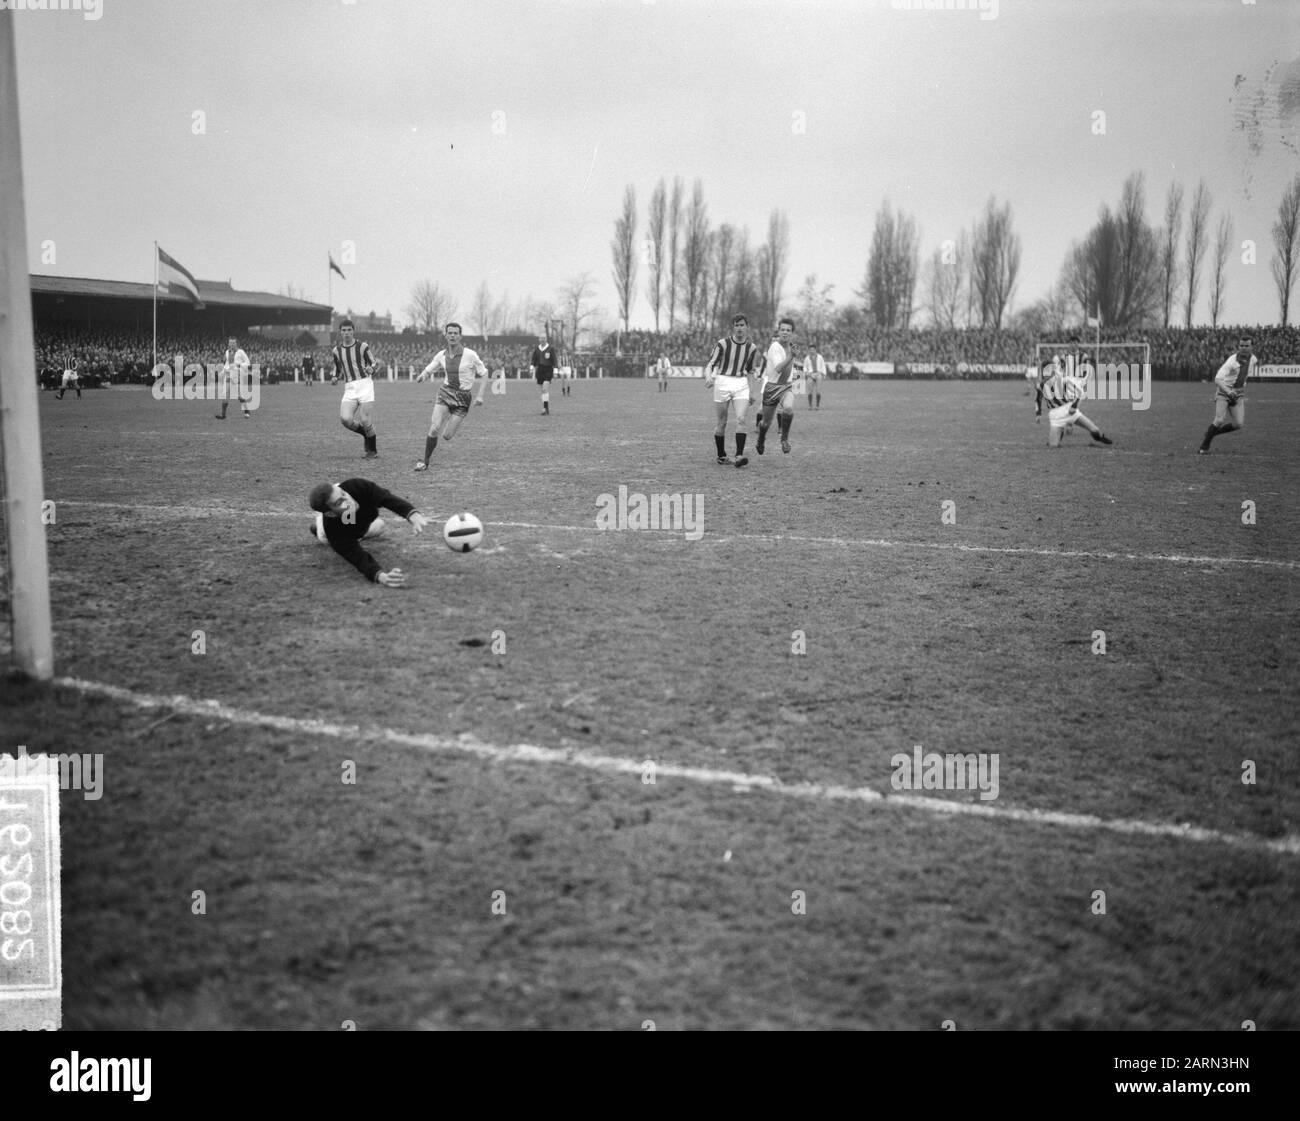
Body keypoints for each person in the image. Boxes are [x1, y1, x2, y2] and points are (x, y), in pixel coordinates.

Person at [307, 478, 430, 586]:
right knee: (327, 538)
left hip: (355, 524)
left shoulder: (356, 487)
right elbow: (358, 558)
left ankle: (350, 524)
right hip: (335, 528)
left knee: (380, 526)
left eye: (343, 494)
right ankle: (318, 528)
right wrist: (381, 576)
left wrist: (412, 514)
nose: (347, 499)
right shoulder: (334, 531)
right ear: (330, 512)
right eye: (339, 502)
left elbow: (386, 498)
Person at [412, 322, 488, 471]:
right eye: (450, 333)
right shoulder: (441, 354)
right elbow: (431, 367)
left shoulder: (470, 355)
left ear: (460, 336)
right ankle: (425, 462)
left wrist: (480, 396)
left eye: (455, 333)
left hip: (463, 398)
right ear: (446, 335)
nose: (452, 336)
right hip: (446, 393)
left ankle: (449, 418)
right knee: (434, 428)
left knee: (447, 435)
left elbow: (484, 373)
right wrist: (423, 375)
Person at [703, 313, 757, 467]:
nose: (739, 328)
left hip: (741, 383)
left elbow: (752, 371)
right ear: (732, 327)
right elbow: (711, 364)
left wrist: (752, 391)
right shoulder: (723, 344)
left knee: (741, 419)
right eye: (736, 325)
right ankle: (721, 455)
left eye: (742, 325)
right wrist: (708, 378)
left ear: (747, 327)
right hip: (723, 382)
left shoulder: (752, 348)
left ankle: (739, 456)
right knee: (722, 422)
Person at [1034, 350, 1113, 449]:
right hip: (1055, 416)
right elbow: (1037, 400)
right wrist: (1038, 414)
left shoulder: (1063, 380)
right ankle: (1060, 432)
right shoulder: (1040, 385)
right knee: (1053, 446)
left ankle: (1099, 438)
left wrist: (1074, 406)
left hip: (1069, 410)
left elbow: (1080, 392)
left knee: (1095, 431)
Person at [1198, 336, 1255, 454]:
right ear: (1238, 347)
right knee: (1219, 420)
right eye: (1241, 346)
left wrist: (1240, 390)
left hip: (1238, 394)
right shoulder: (1232, 361)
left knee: (1239, 424)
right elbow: (1217, 379)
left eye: (1246, 346)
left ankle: (1212, 432)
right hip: (1224, 392)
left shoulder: (1253, 359)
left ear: (1251, 347)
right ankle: (1204, 446)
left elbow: (1244, 376)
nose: (1243, 348)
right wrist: (1228, 392)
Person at [332, 319, 379, 458]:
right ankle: (365, 434)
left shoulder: (362, 346)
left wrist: (372, 369)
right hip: (350, 388)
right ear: (340, 332)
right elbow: (337, 368)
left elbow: (374, 363)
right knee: (345, 419)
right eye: (343, 330)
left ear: (353, 331)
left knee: (365, 420)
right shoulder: (336, 350)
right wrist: (335, 377)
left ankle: (372, 450)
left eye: (349, 330)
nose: (346, 333)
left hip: (365, 385)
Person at [755, 318, 798, 455]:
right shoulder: (774, 347)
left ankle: (784, 440)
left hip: (786, 387)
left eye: (788, 330)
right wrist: (791, 356)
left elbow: (791, 367)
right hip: (772, 388)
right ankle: (761, 439)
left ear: (792, 333)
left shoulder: (792, 347)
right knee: (766, 422)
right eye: (783, 329)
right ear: (779, 331)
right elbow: (779, 368)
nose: (785, 332)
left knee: (789, 408)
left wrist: (795, 377)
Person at [215, 336, 252, 419]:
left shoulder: (241, 352)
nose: (231, 344)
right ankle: (223, 415)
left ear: (236, 343)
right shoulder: (227, 352)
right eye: (230, 343)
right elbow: (227, 363)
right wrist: (223, 372)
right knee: (225, 395)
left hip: (237, 375)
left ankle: (247, 411)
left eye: (233, 343)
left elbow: (248, 362)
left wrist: (240, 365)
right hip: (228, 375)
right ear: (228, 344)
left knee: (239, 396)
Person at [531, 335, 558, 414]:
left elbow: (555, 361)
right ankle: (546, 408)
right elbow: (533, 360)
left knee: (545, 388)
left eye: (544, 338)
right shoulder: (537, 349)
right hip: (540, 371)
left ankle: (545, 408)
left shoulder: (550, 348)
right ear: (539, 339)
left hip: (548, 370)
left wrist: (555, 372)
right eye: (541, 338)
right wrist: (531, 368)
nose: (542, 340)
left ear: (546, 339)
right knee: (543, 391)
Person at [803, 343, 827, 410]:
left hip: (818, 374)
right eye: (810, 350)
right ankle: (810, 406)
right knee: (810, 391)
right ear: (809, 350)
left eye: (813, 349)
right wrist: (806, 373)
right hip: (810, 375)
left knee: (818, 391)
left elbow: (823, 365)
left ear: (815, 350)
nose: (811, 351)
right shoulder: (807, 358)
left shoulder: (820, 357)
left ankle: (817, 406)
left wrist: (824, 374)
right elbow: (804, 366)